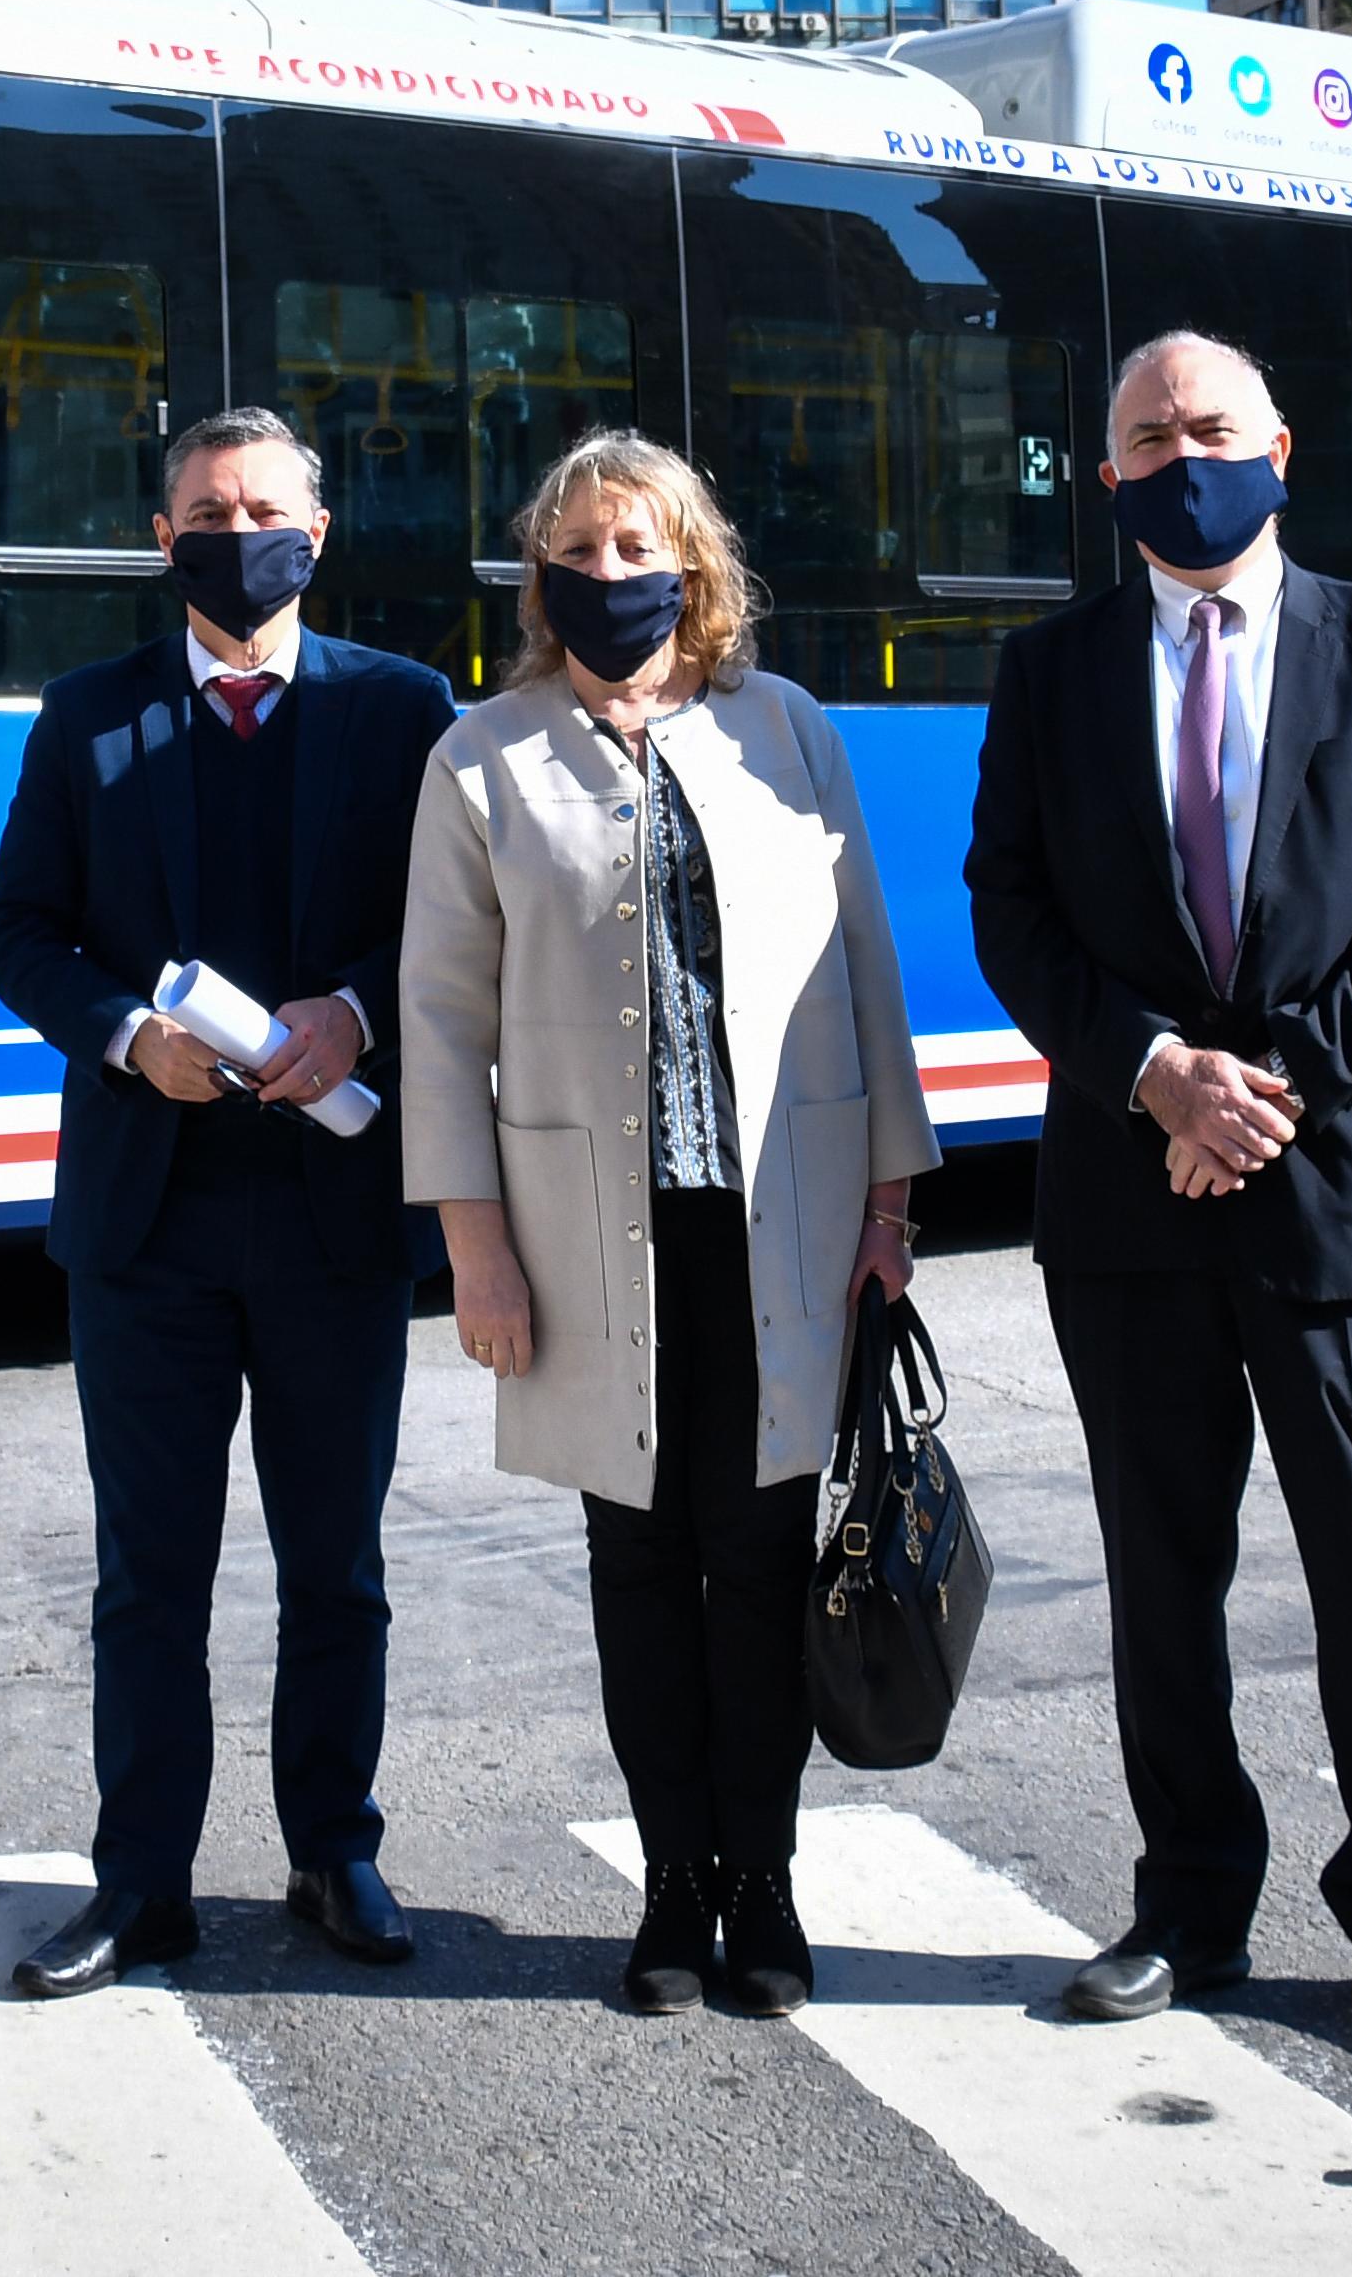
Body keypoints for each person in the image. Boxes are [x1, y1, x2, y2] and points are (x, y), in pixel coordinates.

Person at [962, 330, 1352, 2057]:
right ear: (1104, 473)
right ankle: (1190, 1902)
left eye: (1207, 424)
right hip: (1130, 1204)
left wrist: (1263, 1091)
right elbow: (1011, 907)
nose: (1179, 450)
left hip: (1343, 1197)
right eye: (1144, 432)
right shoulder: (1046, 672)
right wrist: (1155, 1071)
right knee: (1160, 1571)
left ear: (1281, 444)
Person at [402, 432, 933, 2016]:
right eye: (579, 546)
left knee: (762, 1562)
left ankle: (762, 1882)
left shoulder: (789, 731)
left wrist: (890, 1204)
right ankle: (669, 1882)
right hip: (585, 1243)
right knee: (635, 1563)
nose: (610, 573)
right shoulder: (479, 760)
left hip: (780, 1225)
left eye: (641, 548)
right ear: (538, 571)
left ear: (696, 566)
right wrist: (473, 1247)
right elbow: (438, 1018)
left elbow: (868, 979)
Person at [0, 407, 462, 1999]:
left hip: (337, 1212)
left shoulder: (406, 713)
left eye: (259, 509)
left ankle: (335, 1845)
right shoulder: (86, 715)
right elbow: (19, 928)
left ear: (315, 535)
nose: (231, 533)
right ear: (159, 535)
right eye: (201, 508)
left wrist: (360, 1011)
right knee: (149, 1574)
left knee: (339, 1563)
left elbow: (460, 932)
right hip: (148, 1222)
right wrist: (129, 1036)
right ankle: (142, 1882)